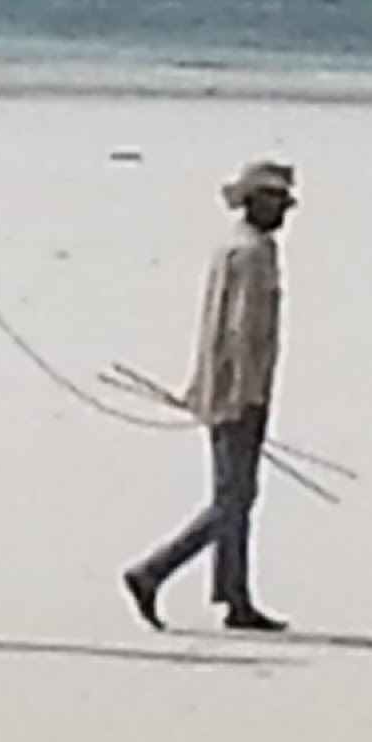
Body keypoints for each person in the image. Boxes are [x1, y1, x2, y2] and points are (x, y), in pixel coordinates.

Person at [123, 159, 295, 633]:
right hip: (238, 390)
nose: (284, 210)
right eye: (276, 201)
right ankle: (151, 572)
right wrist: (243, 394)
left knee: (234, 495)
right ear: (254, 202)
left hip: (225, 388)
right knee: (232, 499)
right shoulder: (251, 254)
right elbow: (239, 331)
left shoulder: (240, 246)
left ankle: (235, 596)